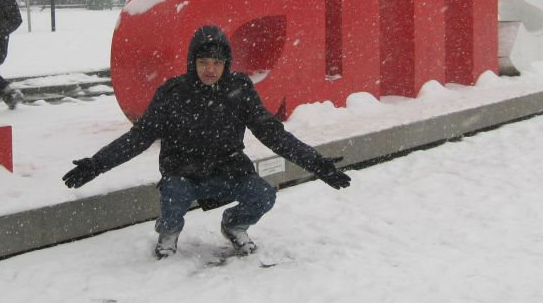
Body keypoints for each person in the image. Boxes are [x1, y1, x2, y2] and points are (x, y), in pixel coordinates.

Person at [62, 24, 352, 259]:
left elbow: (273, 134)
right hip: (183, 172)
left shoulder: (239, 89)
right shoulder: (172, 92)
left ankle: (235, 225)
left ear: (226, 63)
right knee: (173, 198)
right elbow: (139, 138)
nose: (210, 69)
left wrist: (317, 164)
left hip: (229, 170)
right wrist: (95, 165)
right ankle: (169, 231)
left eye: (217, 62)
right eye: (203, 62)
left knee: (263, 194)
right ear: (193, 62)